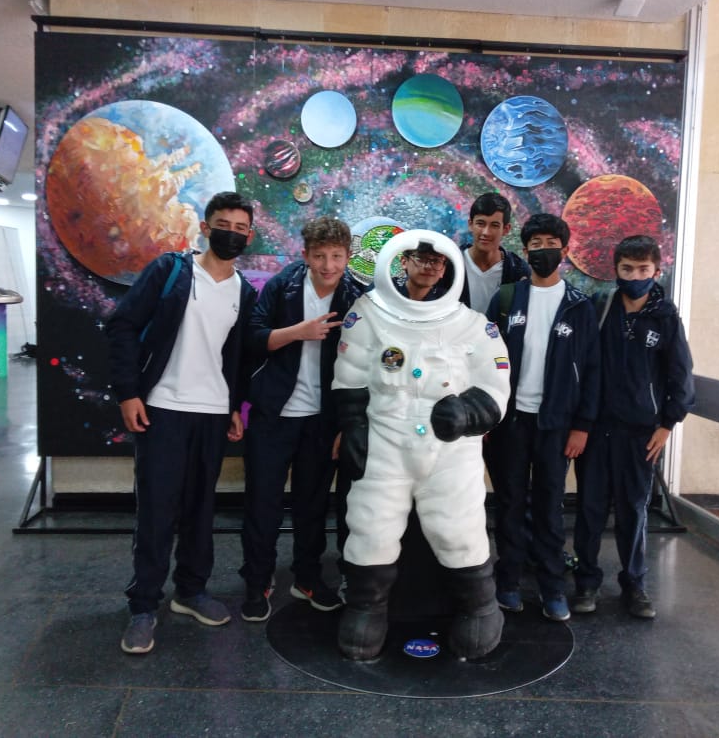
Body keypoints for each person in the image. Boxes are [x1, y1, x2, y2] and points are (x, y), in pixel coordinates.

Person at [332, 229, 511, 661]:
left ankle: (479, 607)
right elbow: (349, 373)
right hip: (384, 443)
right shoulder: (368, 314)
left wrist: (467, 412)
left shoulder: (473, 325)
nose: (429, 266)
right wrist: (353, 426)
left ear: (448, 269)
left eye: (437, 261)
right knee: (371, 527)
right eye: (420, 258)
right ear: (402, 262)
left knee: (459, 529)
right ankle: (365, 608)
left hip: (449, 451)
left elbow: (496, 384)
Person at [106, 191, 258, 654]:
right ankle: (143, 606)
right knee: (157, 509)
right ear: (205, 228)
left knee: (199, 509)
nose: (231, 234)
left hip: (212, 413)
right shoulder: (170, 271)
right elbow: (122, 325)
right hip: (163, 407)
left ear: (250, 236)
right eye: (223, 225)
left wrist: (234, 408)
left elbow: (236, 357)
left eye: (240, 228)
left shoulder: (244, 292)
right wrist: (128, 392)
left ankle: (191, 591)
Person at [239, 217, 364, 621]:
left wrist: (346, 426)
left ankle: (307, 577)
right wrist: (298, 331)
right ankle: (257, 580)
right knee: (263, 503)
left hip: (322, 420)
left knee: (313, 504)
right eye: (320, 256)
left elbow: (363, 368)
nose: (328, 265)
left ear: (348, 257)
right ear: (306, 254)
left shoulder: (357, 298)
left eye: (336, 256)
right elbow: (253, 338)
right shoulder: (283, 286)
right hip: (274, 414)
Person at [571, 235, 695, 619]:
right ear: (616, 270)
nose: (636, 277)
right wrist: (580, 423)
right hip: (596, 430)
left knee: (633, 511)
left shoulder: (666, 317)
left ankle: (635, 584)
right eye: (627, 269)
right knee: (589, 509)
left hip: (641, 433)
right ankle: (586, 582)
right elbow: (583, 366)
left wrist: (667, 425)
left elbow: (681, 376)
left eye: (643, 270)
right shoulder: (600, 307)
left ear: (657, 271)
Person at [485, 213, 600, 622]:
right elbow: (484, 359)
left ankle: (553, 588)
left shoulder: (579, 306)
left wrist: (582, 426)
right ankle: (508, 582)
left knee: (550, 507)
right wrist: (487, 416)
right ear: (525, 250)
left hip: (557, 425)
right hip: (511, 422)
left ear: (565, 251)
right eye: (536, 244)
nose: (543, 251)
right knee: (510, 504)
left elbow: (592, 371)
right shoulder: (506, 299)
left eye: (551, 244)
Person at [459, 192, 530, 313]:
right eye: (480, 224)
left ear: (506, 229)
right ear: (470, 224)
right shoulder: (451, 263)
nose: (486, 232)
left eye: (494, 225)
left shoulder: (518, 271)